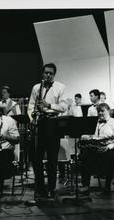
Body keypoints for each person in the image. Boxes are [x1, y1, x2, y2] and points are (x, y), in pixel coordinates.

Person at [27, 63, 67, 199]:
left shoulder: (60, 87)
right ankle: (40, 188)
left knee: (52, 159)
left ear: (54, 74)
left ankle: (51, 188)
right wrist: (31, 117)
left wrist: (48, 105)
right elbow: (30, 106)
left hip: (52, 122)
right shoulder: (36, 88)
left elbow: (63, 107)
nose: (48, 75)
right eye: (46, 73)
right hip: (39, 123)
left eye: (50, 73)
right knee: (37, 158)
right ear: (42, 73)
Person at [79, 103, 114, 194]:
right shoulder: (94, 123)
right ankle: (86, 185)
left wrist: (108, 147)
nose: (100, 113)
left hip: (111, 147)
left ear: (109, 111)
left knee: (110, 157)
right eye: (98, 111)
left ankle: (107, 186)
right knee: (85, 156)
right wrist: (86, 137)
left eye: (102, 111)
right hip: (96, 147)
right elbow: (90, 135)